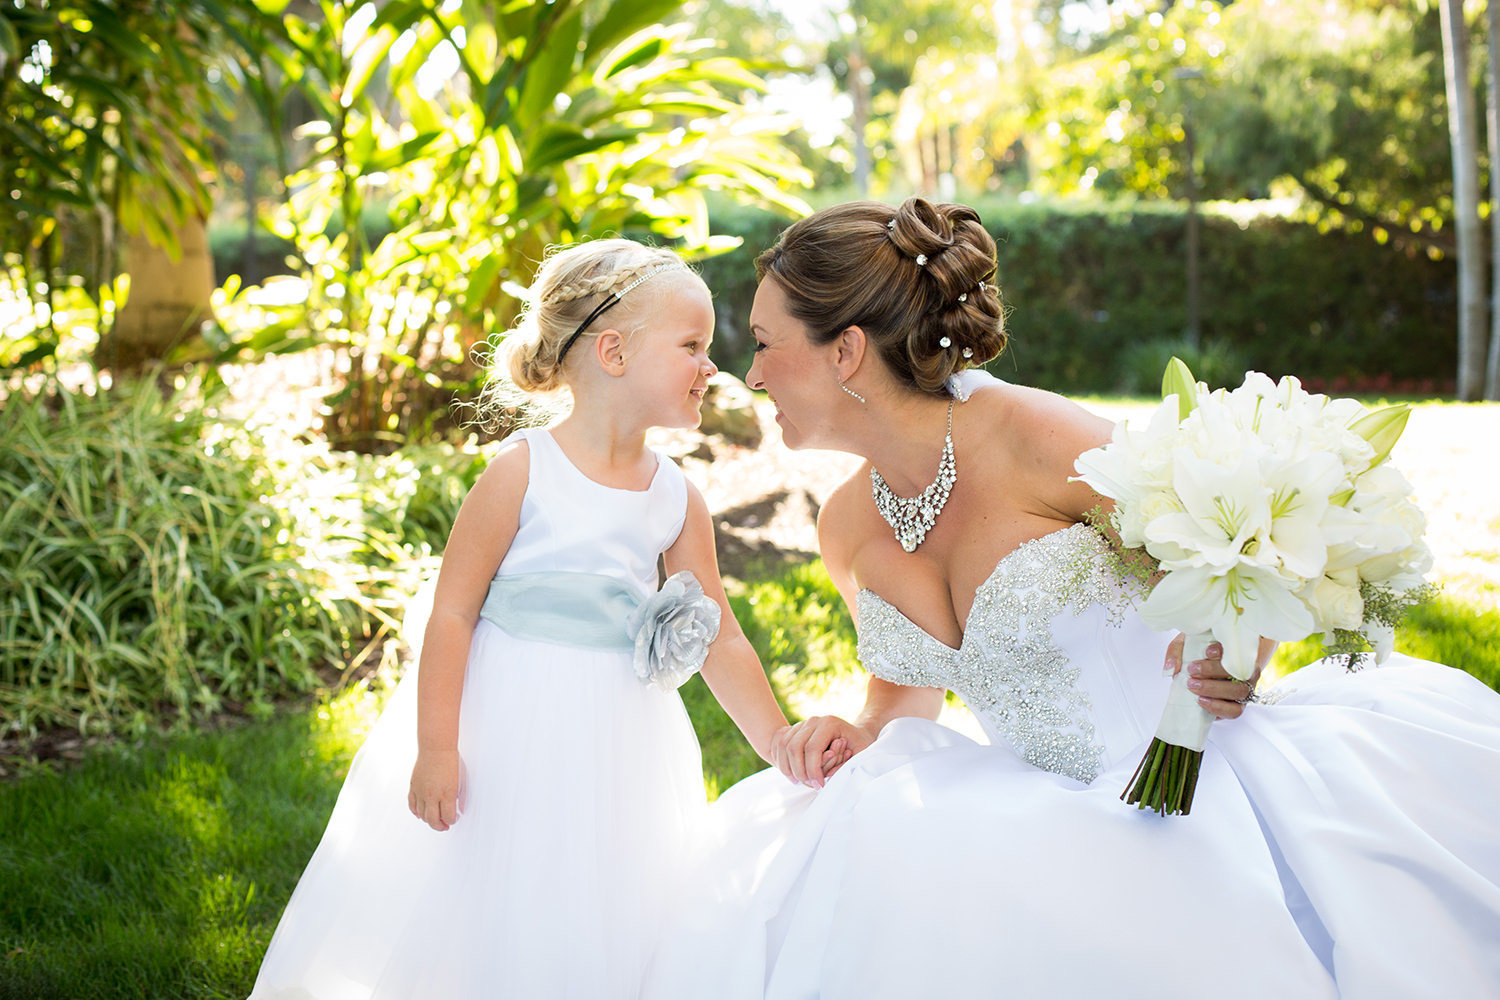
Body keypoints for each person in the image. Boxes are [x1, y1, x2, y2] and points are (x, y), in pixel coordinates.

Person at [643, 199, 1500, 1000]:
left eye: (762, 343)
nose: (747, 373)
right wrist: (858, 731)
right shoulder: (847, 527)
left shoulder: (1034, 438)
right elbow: (908, 697)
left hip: (1187, 783)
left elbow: (1229, 557)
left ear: (846, 350)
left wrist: (1234, 661)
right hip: (1029, 808)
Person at [249, 239, 791, 1000]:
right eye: (693, 346)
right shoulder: (521, 472)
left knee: (608, 886)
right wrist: (437, 747)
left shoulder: (676, 498)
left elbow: (720, 635)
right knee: (500, 883)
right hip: (511, 727)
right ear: (613, 352)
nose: (713, 367)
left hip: (622, 740)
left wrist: (776, 740)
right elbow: (452, 614)